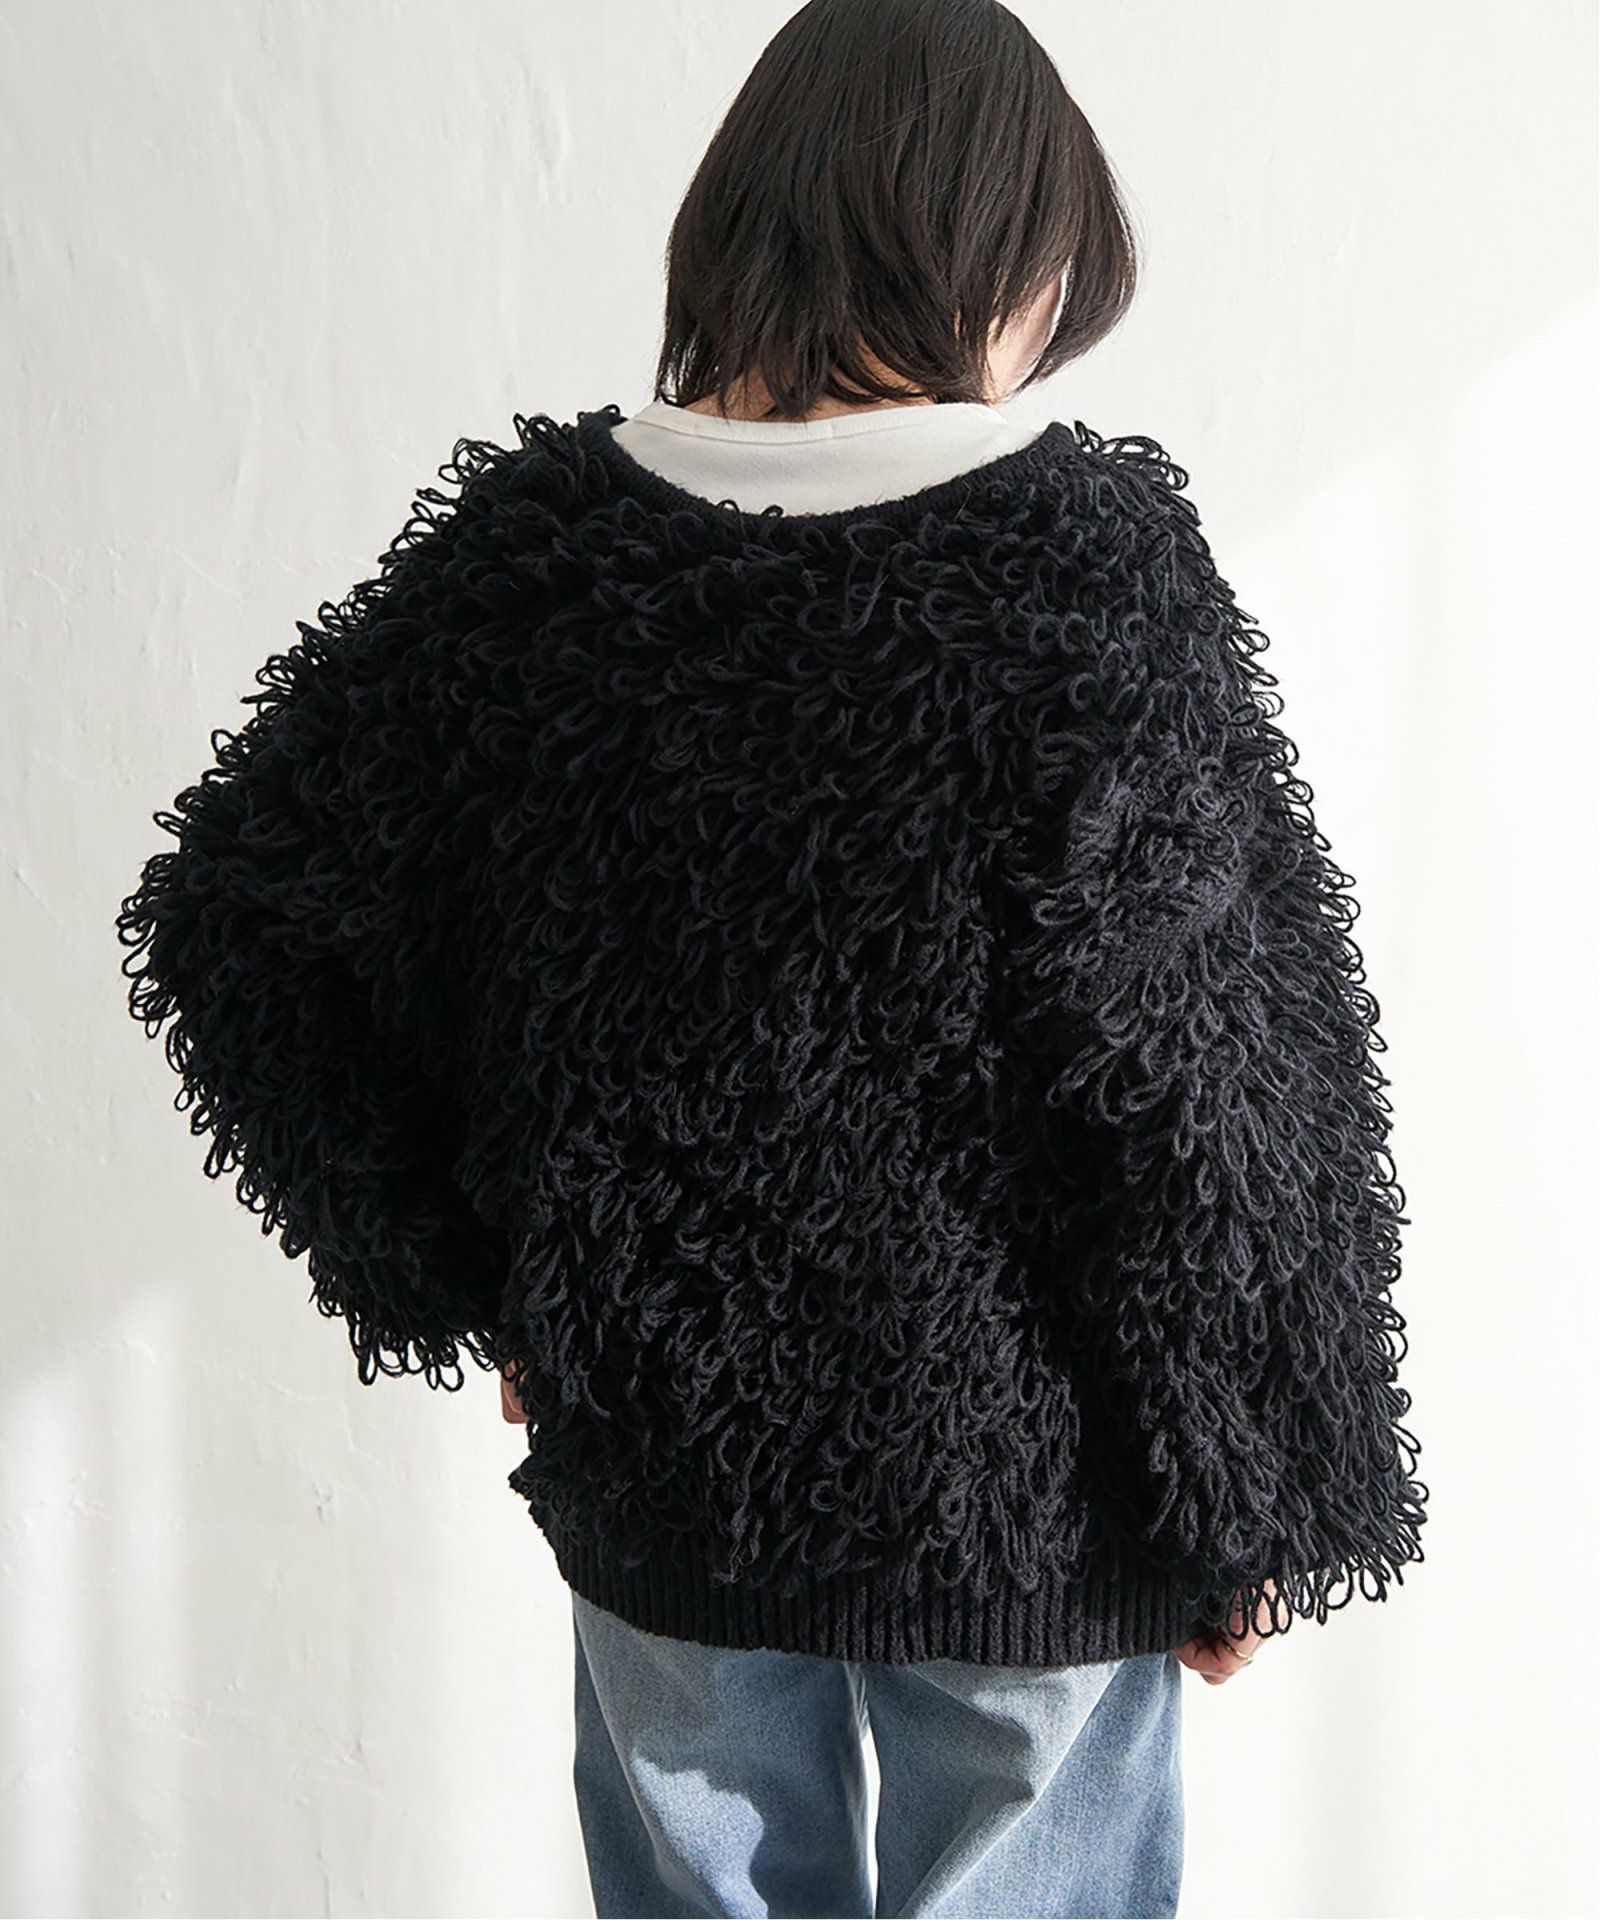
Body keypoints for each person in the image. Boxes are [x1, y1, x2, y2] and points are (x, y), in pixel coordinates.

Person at [117, 1, 1427, 1915]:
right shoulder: (1076, 563)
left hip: (667, 1471)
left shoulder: (538, 564)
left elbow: (241, 920)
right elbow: (1210, 1089)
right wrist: (1251, 1491)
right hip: (1038, 1505)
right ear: (1001, 253)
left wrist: (483, 1277)